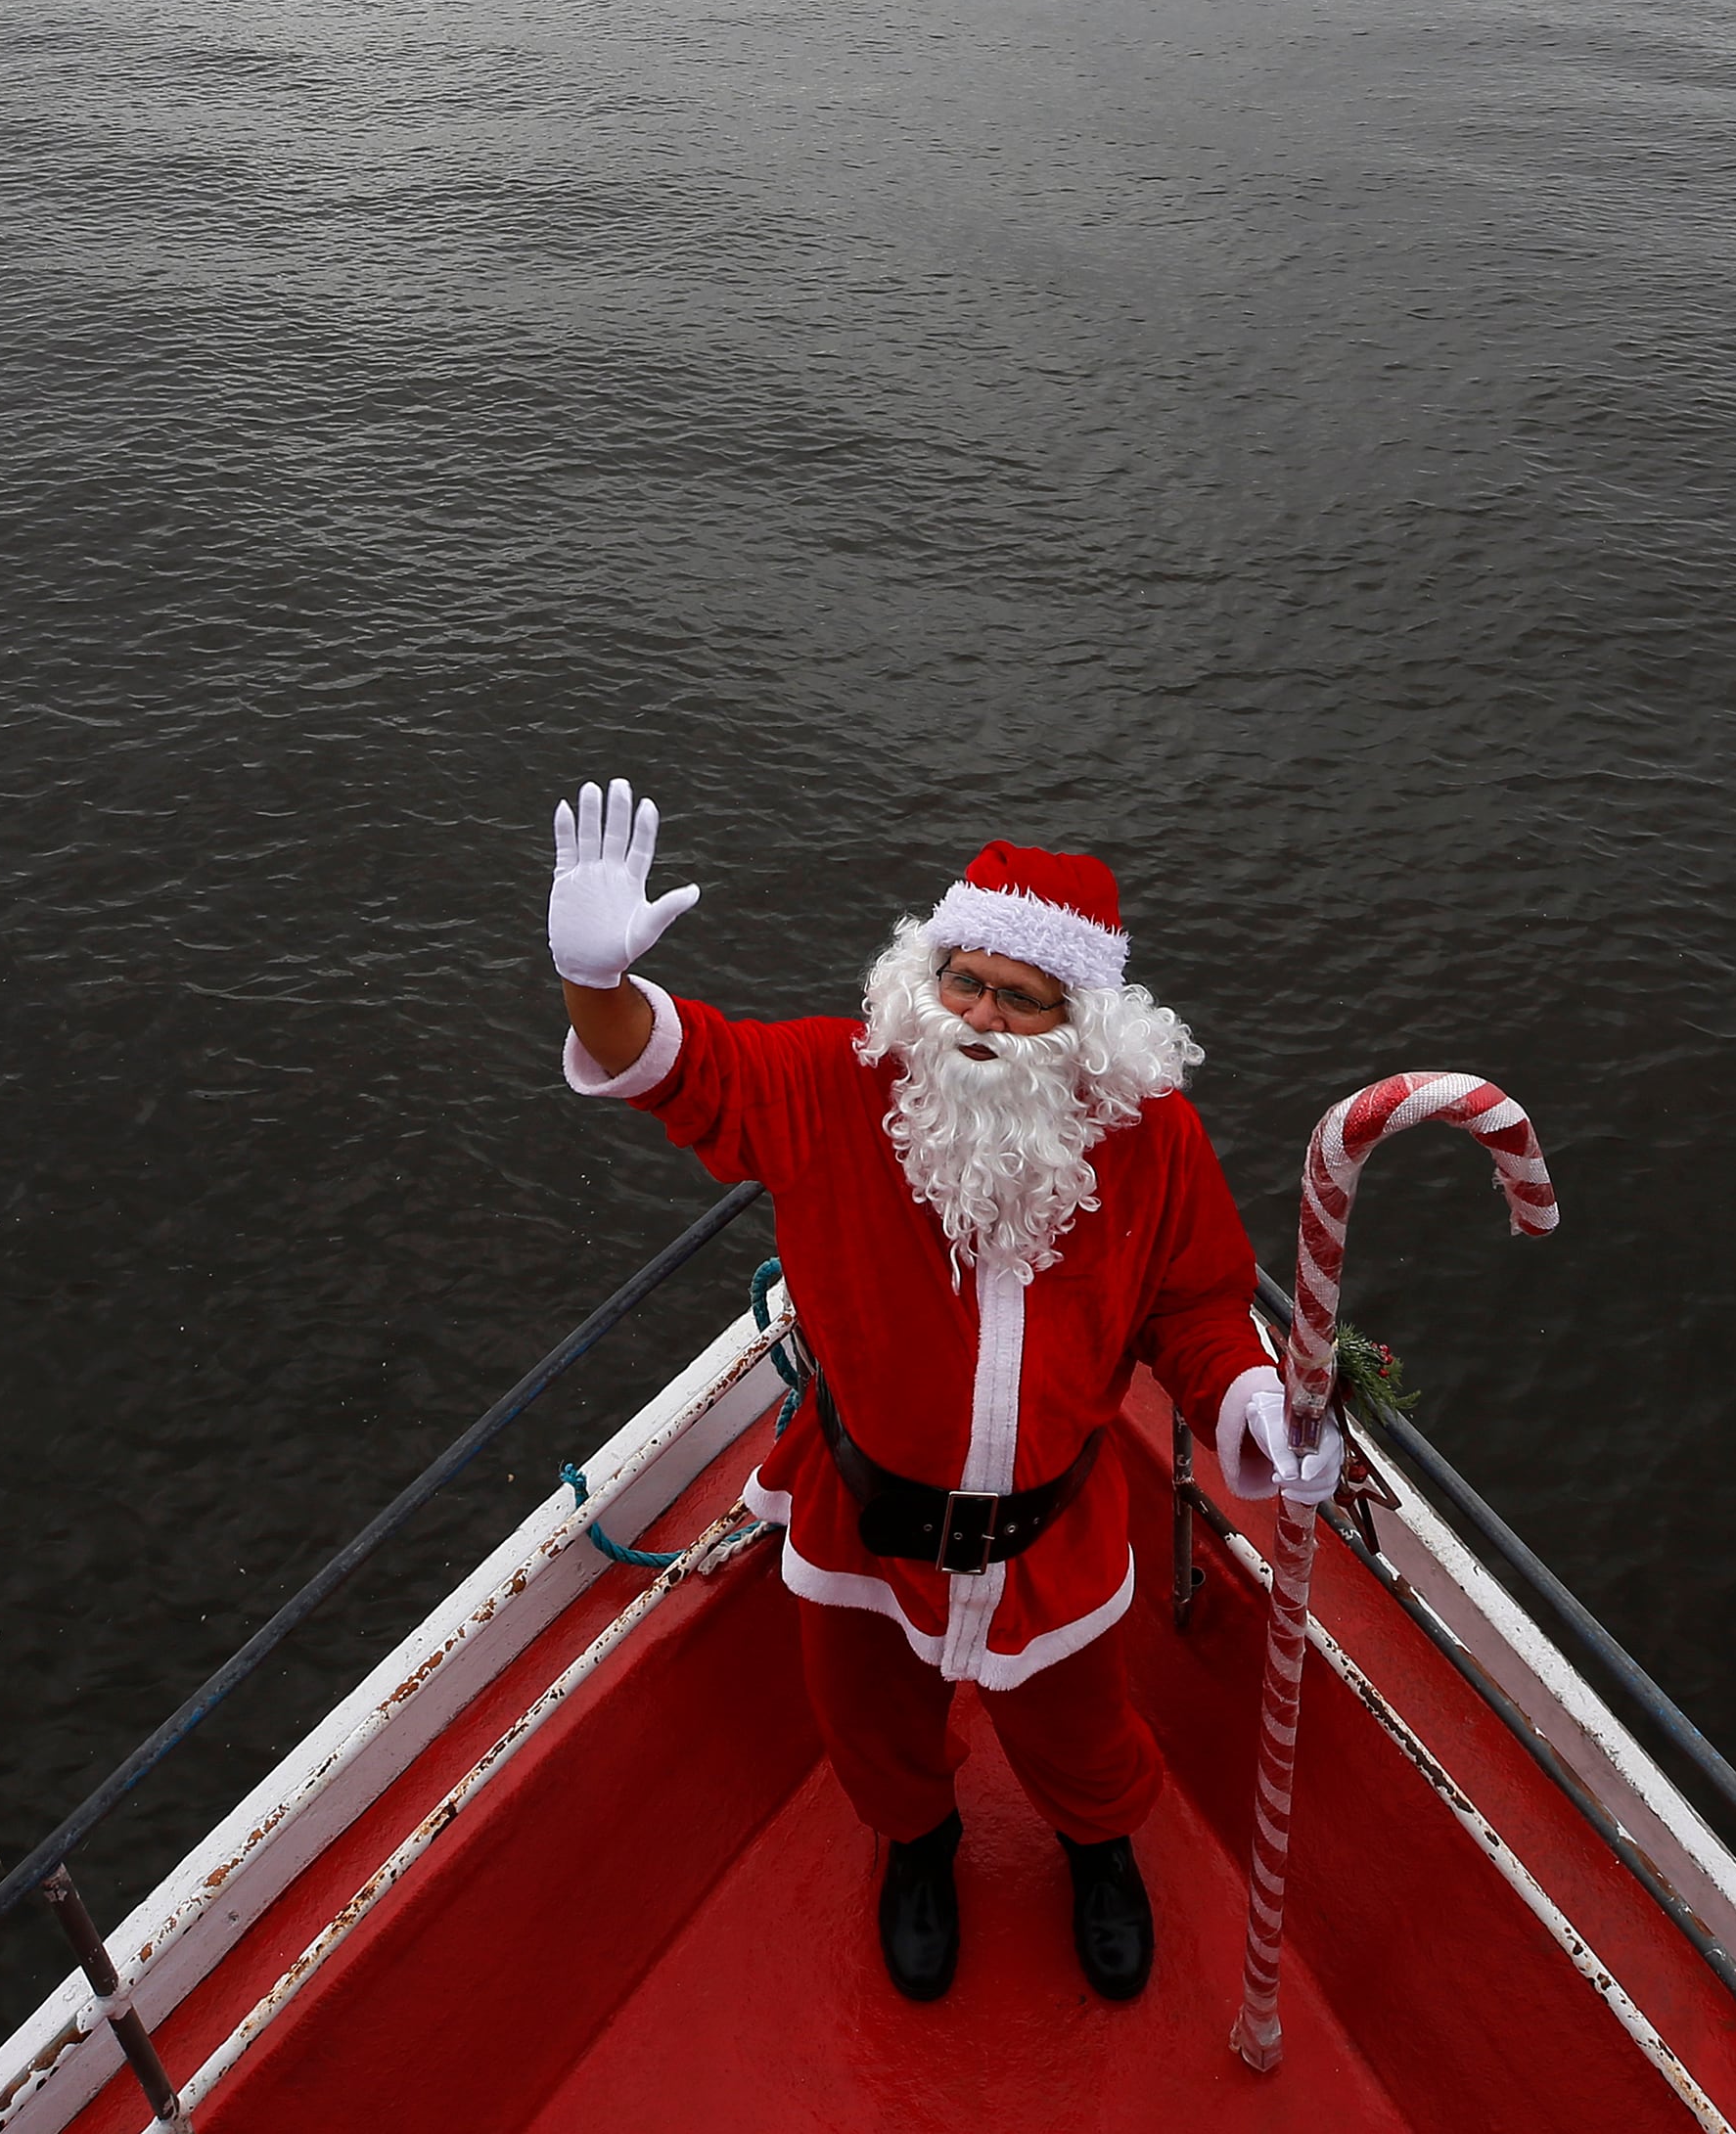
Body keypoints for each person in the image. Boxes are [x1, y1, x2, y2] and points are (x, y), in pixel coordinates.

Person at [545, 779, 1345, 2005]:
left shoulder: (1151, 1138)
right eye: (961, 981)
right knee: (872, 1725)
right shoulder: (833, 1085)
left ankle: (1097, 1851)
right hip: (864, 1519)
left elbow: (1193, 1307)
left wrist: (1245, 1400)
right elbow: (677, 1068)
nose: (976, 1016)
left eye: (1018, 999)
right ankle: (918, 1850)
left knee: (1082, 1730)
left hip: (1054, 1538)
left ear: (1078, 1024)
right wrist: (594, 986)